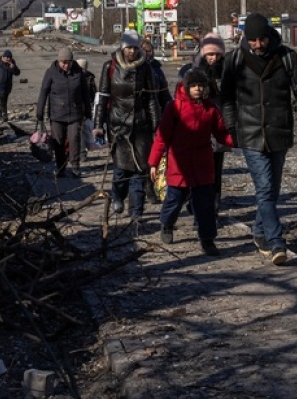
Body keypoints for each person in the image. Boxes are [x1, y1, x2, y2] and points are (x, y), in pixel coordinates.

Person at [221, 13, 297, 266]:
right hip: (249, 134)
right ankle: (276, 242)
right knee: (265, 188)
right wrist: (231, 128)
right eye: (253, 40)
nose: (258, 45)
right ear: (246, 38)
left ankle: (259, 232)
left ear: (270, 36)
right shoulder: (234, 60)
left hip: (279, 132)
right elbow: (226, 98)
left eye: (262, 39)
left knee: (272, 190)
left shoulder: (287, 57)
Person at [149, 69, 234, 256]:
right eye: (194, 85)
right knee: (175, 198)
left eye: (200, 85)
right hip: (179, 161)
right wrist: (154, 162)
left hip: (203, 162)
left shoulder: (211, 109)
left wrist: (239, 141)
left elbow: (221, 133)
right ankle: (167, 223)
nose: (197, 89)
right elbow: (162, 137)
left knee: (205, 203)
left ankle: (207, 239)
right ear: (186, 87)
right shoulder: (174, 107)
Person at [94, 31, 162, 219]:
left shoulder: (145, 68)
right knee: (121, 170)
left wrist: (157, 127)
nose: (132, 51)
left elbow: (152, 99)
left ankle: (136, 213)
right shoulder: (110, 66)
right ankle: (118, 196)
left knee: (140, 170)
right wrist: (98, 125)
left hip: (141, 126)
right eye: (128, 48)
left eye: (134, 48)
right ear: (123, 48)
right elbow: (103, 97)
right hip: (118, 125)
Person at [178, 31, 228, 212]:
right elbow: (182, 100)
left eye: (217, 54)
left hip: (218, 127)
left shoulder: (227, 71)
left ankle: (213, 209)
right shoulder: (191, 72)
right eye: (210, 54)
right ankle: (195, 203)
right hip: (196, 128)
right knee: (196, 170)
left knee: (215, 171)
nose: (213, 58)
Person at [36, 47, 92, 179]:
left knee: (74, 139)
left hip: (75, 113)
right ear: (58, 61)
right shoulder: (51, 72)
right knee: (58, 141)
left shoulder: (79, 73)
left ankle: (75, 166)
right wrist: (40, 112)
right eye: (63, 62)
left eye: (69, 62)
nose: (66, 65)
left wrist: (88, 112)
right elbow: (44, 92)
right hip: (57, 114)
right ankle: (60, 167)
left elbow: (85, 93)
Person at [140, 37, 172, 112]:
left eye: (148, 51)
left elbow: (165, 94)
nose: (146, 53)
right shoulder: (133, 68)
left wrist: (171, 110)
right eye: (143, 50)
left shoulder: (157, 69)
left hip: (154, 109)